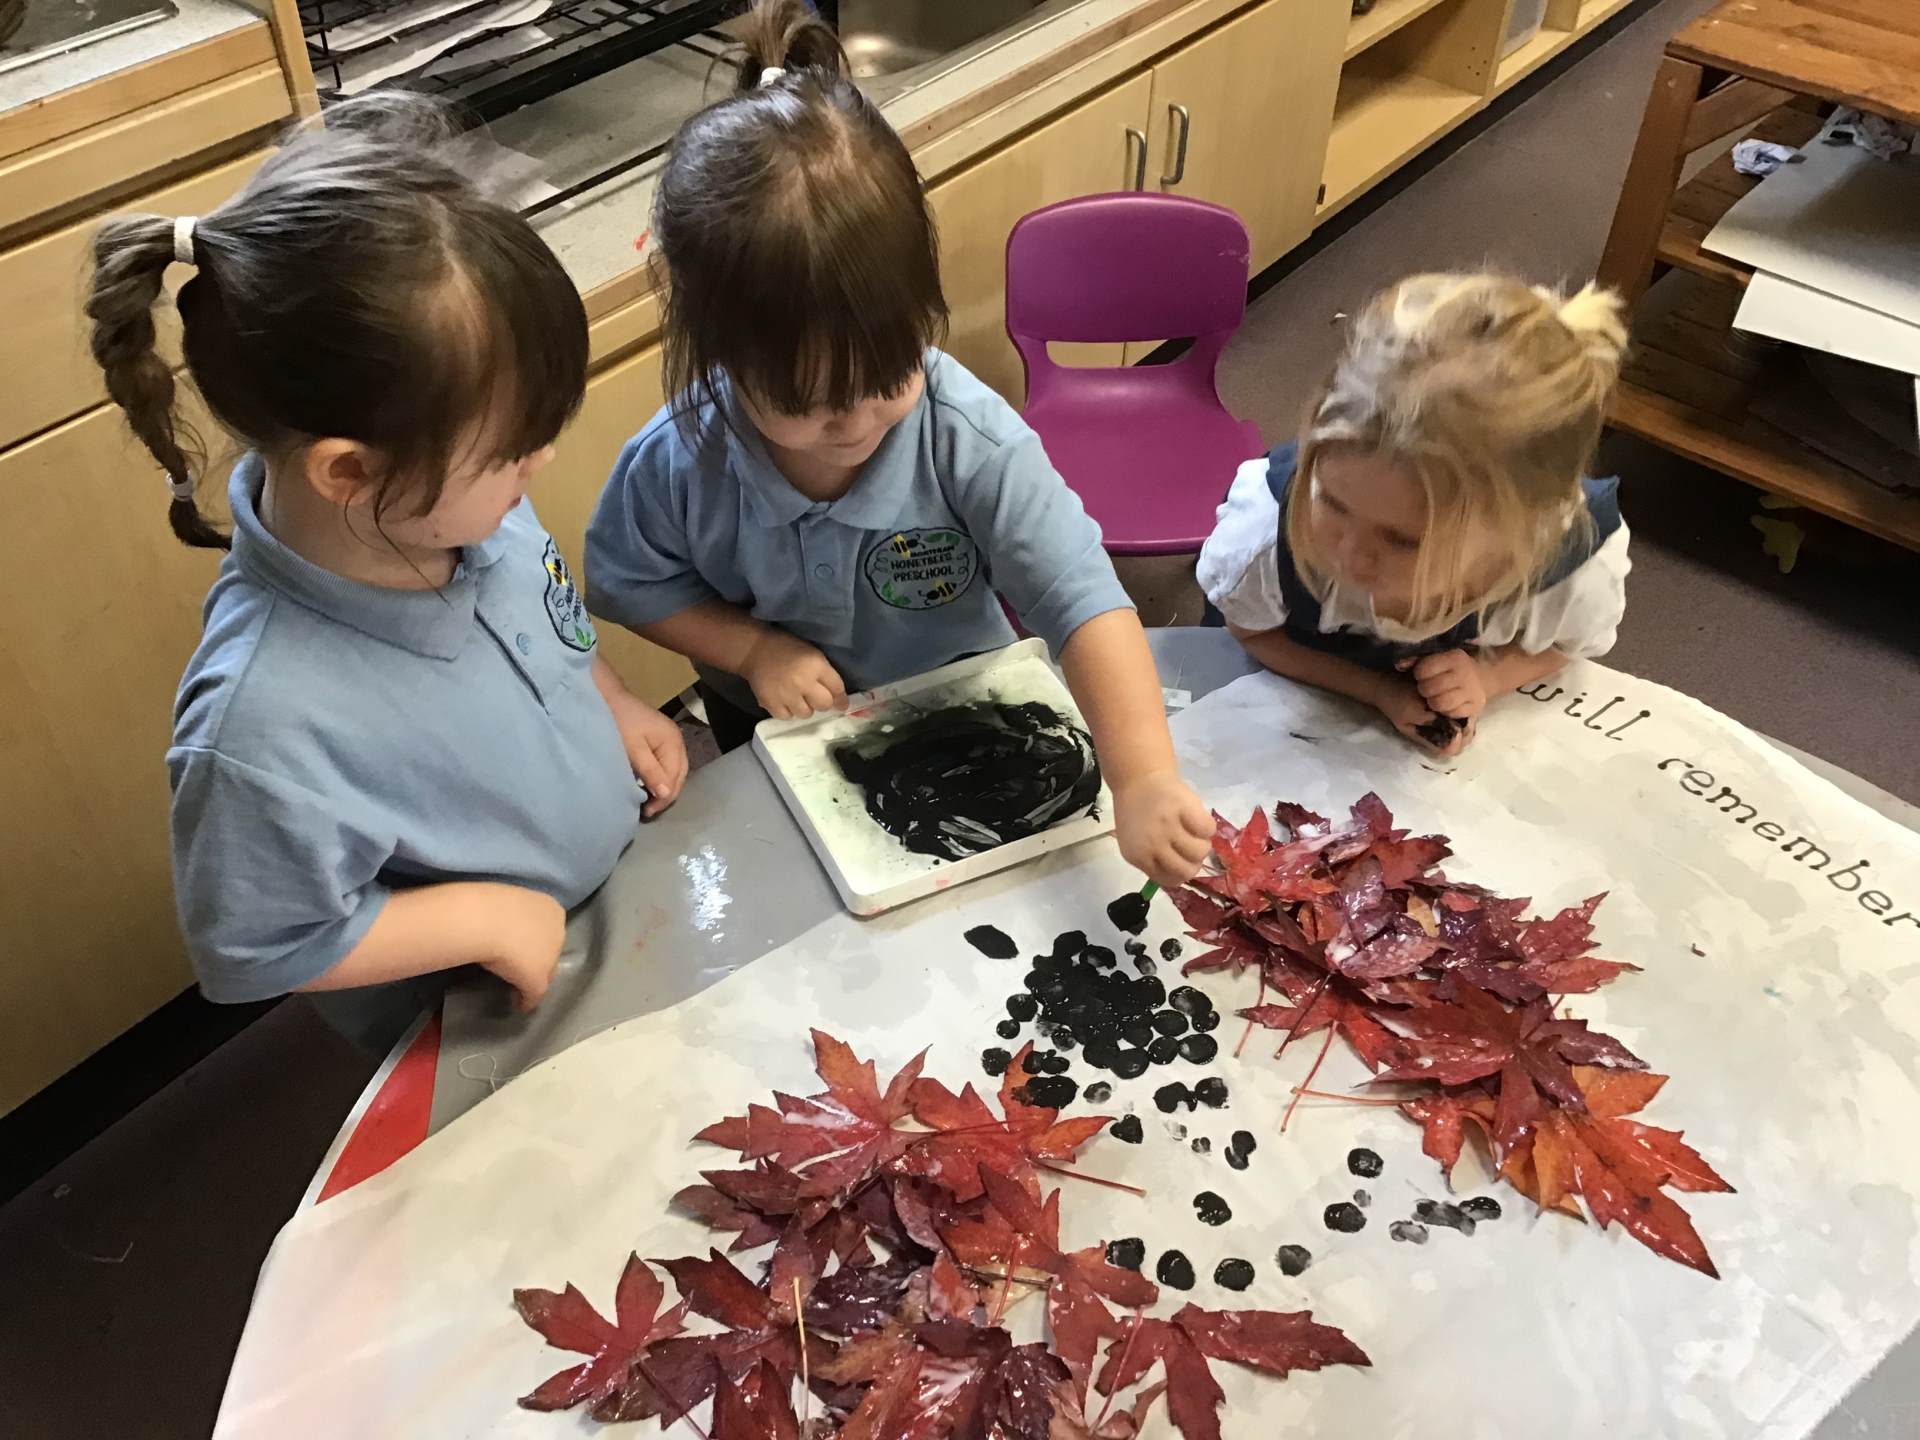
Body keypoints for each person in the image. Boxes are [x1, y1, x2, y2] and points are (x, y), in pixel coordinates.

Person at [86, 97, 686, 1023]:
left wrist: (611, 700)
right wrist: (481, 920)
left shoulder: (462, 517)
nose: (539, 463)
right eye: (510, 453)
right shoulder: (261, 727)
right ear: (351, 472)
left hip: (618, 917)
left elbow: (547, 626)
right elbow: (252, 948)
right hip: (486, 1015)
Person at [585, 0, 1210, 887]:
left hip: (965, 704)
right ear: (716, 351)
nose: (854, 421)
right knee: (802, 891)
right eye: (806, 402)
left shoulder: (968, 438)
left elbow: (1082, 599)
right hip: (769, 717)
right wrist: (753, 652)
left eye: (886, 375)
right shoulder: (678, 462)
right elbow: (628, 585)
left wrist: (1143, 776)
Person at [1197, 272, 1632, 755]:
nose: (1350, 556)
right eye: (1333, 502)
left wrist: (1488, 677)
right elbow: (1253, 631)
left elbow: (1566, 643)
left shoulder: (1573, 566)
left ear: (1523, 534)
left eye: (1402, 540)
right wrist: (1376, 690)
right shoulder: (1265, 535)